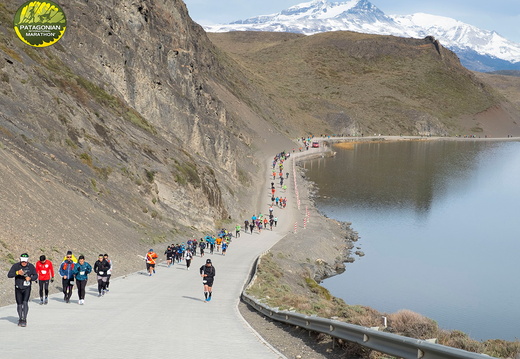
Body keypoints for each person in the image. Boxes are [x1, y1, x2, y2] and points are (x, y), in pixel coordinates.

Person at [7, 253, 38, 327]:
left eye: (25, 261)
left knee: (25, 303)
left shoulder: (31, 266)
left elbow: (36, 275)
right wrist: (17, 273)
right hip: (18, 287)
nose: (24, 263)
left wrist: (30, 278)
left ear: (27, 261)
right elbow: (9, 275)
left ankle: (24, 319)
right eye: (22, 261)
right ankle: (20, 318)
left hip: (27, 287)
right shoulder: (16, 266)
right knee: (19, 304)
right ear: (20, 260)